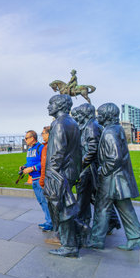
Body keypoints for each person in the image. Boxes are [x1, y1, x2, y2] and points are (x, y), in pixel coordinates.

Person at [89, 103, 140, 251]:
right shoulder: (116, 128)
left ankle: (96, 240)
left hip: (111, 178)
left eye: (99, 114)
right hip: (119, 178)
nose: (97, 116)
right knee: (125, 208)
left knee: (102, 208)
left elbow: (115, 157)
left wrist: (102, 170)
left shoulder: (109, 132)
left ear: (107, 116)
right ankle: (135, 237)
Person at [72, 104, 121, 238]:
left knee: (84, 198)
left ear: (85, 114)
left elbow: (92, 150)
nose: (76, 117)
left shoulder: (91, 126)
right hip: (89, 168)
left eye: (78, 114)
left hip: (89, 169)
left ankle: (81, 224)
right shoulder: (88, 125)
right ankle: (112, 221)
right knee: (94, 197)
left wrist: (80, 166)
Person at [44, 94, 83, 258]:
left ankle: (69, 246)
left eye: (51, 103)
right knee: (66, 206)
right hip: (70, 171)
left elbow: (57, 153)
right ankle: (76, 236)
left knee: (63, 209)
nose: (48, 107)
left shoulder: (59, 124)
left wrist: (50, 176)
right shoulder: (72, 122)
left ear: (59, 105)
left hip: (59, 173)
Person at [22, 130, 52, 232]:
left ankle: (50, 223)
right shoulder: (30, 149)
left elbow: (44, 163)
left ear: (32, 138)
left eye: (26, 138)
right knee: (41, 201)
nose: (25, 140)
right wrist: (25, 166)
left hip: (40, 178)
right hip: (33, 179)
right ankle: (48, 220)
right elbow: (30, 162)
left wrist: (32, 168)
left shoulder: (41, 148)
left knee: (45, 201)